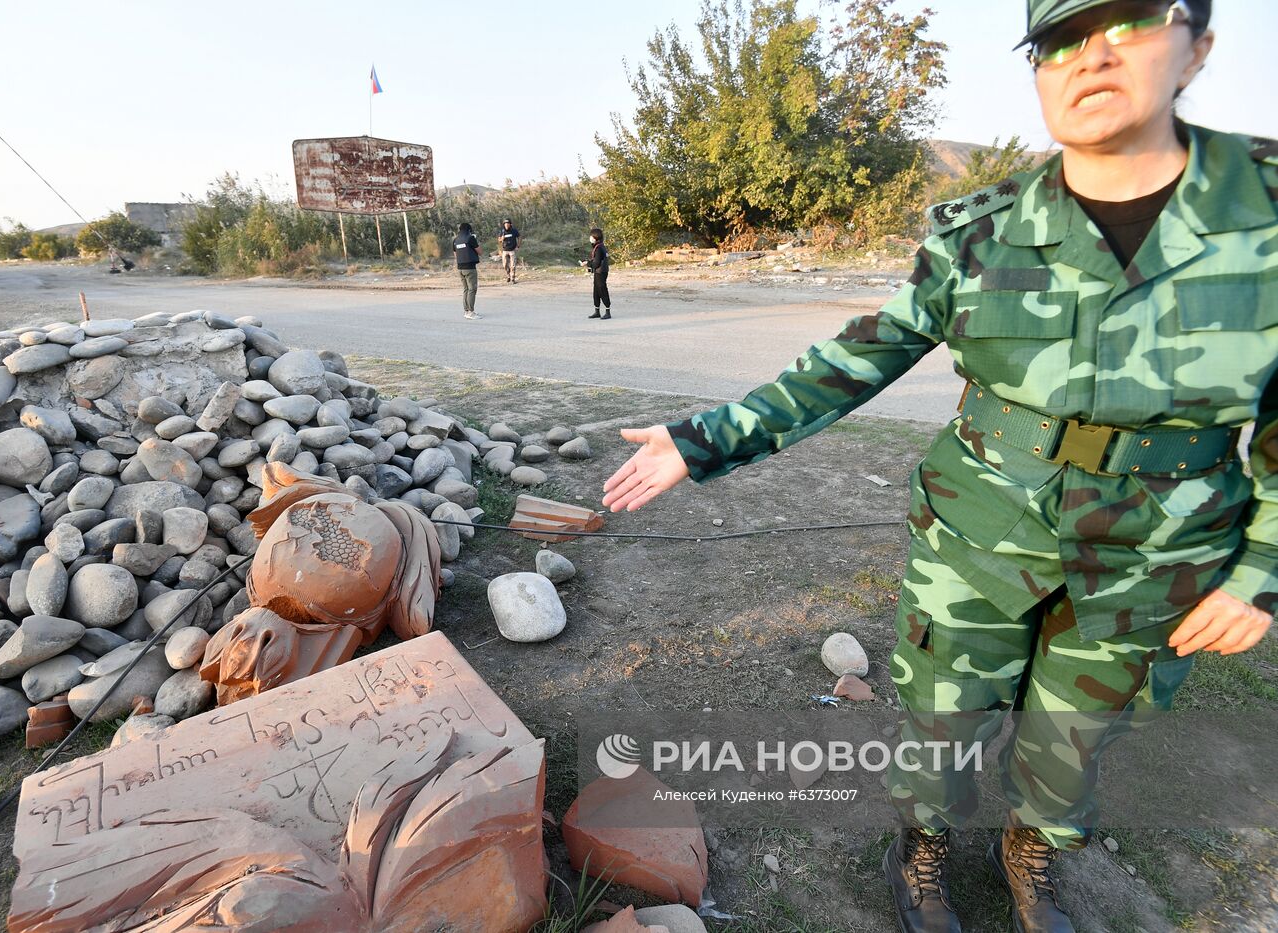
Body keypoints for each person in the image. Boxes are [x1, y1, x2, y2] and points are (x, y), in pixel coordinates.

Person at [601, 2, 1274, 930]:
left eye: (1131, 19)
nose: (1093, 55)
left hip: (1159, 558)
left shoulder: (1266, 224)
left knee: (1073, 743)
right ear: (1036, 71)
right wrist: (705, 436)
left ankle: (1032, 853)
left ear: (1196, 47)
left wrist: (1260, 571)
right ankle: (920, 851)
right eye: (1061, 38)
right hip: (980, 535)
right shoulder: (980, 235)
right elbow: (853, 359)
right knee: (943, 724)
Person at [453, 222, 482, 320]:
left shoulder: (455, 240)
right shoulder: (470, 238)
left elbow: (455, 255)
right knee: (472, 289)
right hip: (470, 268)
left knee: (465, 289)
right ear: (469, 230)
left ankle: (466, 311)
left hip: (460, 268)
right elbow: (480, 252)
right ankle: (471, 312)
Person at [582, 227, 611, 319]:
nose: (590, 238)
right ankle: (597, 311)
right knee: (596, 291)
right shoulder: (598, 246)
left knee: (602, 290)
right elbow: (596, 262)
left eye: (591, 236)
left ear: (595, 237)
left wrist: (587, 264)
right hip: (599, 271)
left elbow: (596, 263)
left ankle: (607, 311)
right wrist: (590, 267)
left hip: (601, 272)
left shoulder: (599, 248)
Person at [498, 219, 521, 283]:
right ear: (504, 225)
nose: (506, 225)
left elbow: (519, 237)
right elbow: (499, 240)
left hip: (512, 250)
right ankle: (508, 275)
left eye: (508, 223)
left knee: (513, 265)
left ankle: (513, 278)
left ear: (510, 224)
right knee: (505, 265)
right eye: (505, 223)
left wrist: (518, 246)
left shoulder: (514, 231)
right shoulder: (502, 231)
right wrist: (501, 239)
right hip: (505, 250)